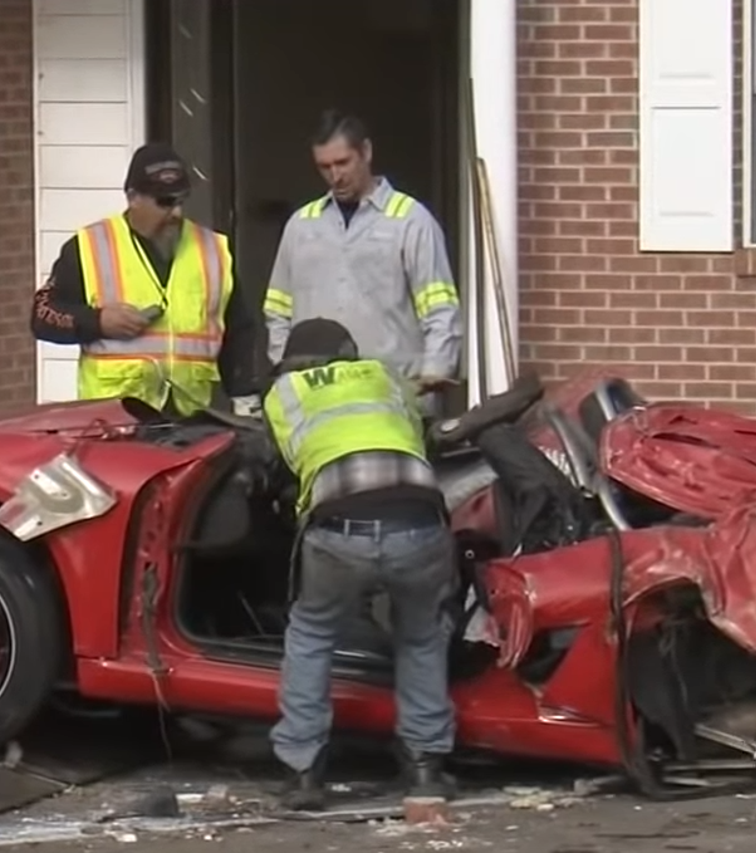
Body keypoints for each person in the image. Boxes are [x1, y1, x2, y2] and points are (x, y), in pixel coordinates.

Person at [262, 317, 458, 811]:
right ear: (350, 353)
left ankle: (303, 773)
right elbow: (417, 432)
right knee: (420, 635)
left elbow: (289, 462)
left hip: (338, 529)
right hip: (419, 518)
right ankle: (424, 768)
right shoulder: (385, 374)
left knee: (311, 633)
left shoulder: (283, 393)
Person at [32, 142, 262, 415]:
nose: (175, 213)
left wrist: (247, 401)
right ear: (133, 198)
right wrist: (97, 321)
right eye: (164, 202)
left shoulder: (214, 249)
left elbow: (238, 330)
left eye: (180, 201)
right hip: (117, 422)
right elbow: (42, 315)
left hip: (191, 419)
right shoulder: (90, 246)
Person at [262, 111, 463, 411]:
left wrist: (432, 378)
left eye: (343, 163)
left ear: (365, 152)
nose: (335, 175)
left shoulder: (410, 221)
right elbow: (278, 310)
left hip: (391, 398)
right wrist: (287, 373)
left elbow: (440, 309)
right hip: (317, 400)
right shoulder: (301, 226)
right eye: (324, 167)